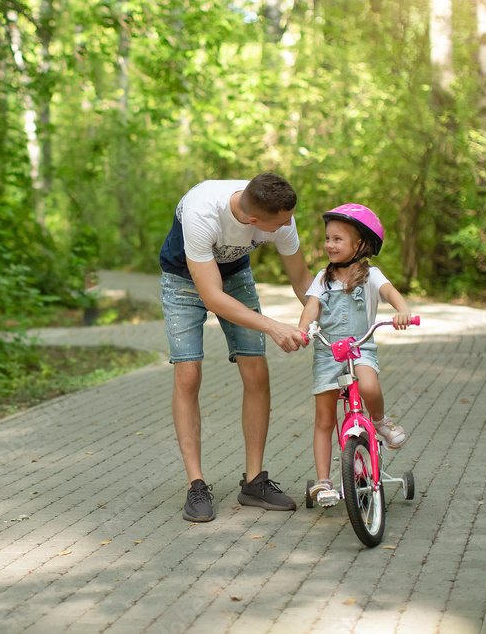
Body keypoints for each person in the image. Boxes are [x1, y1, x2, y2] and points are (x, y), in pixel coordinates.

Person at [159, 173, 313, 522]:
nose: (289, 225)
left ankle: (254, 482)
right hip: (183, 280)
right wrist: (273, 326)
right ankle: (195, 485)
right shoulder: (202, 212)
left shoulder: (277, 212)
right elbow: (213, 297)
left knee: (256, 368)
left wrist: (327, 321)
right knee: (188, 374)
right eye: (283, 222)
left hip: (235, 275)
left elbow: (302, 279)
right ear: (255, 221)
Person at [296, 204, 412, 508]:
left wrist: (402, 310)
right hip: (327, 353)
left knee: (370, 386)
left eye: (338, 239)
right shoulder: (324, 278)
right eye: (328, 239)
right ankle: (323, 481)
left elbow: (390, 292)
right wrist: (303, 328)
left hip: (361, 348)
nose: (329, 245)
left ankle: (381, 422)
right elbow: (311, 307)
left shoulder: (371, 275)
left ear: (360, 244)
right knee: (324, 419)